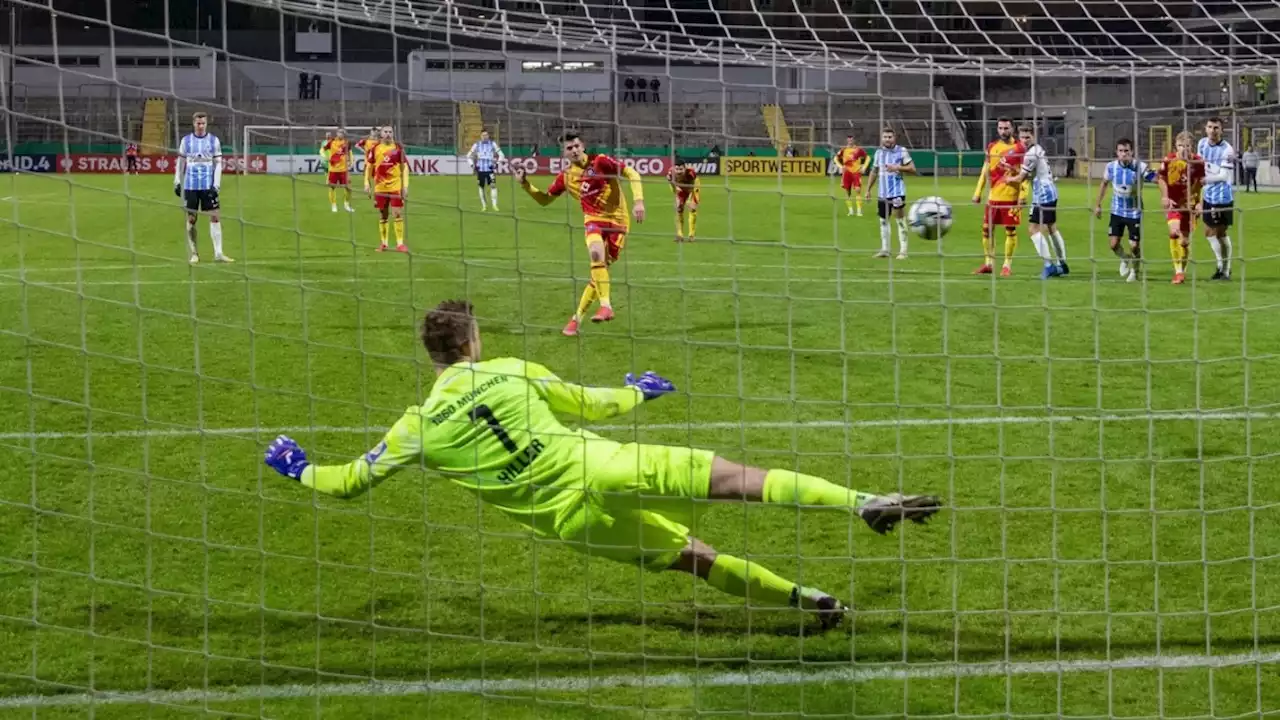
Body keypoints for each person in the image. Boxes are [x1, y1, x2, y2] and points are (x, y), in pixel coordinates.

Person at [263, 300, 943, 631]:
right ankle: (860, 500)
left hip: (570, 521)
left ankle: (814, 603)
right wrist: (638, 392)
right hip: (606, 464)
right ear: (472, 342)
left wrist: (299, 470)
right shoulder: (508, 370)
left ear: (432, 357)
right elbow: (590, 403)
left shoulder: (416, 427)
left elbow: (350, 482)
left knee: (695, 558)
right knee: (739, 482)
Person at [515, 132, 646, 337]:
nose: (574, 150)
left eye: (576, 146)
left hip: (618, 222)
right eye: (569, 148)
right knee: (596, 255)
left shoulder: (601, 161)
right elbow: (545, 200)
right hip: (593, 220)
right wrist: (525, 184)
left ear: (583, 145)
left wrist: (638, 200)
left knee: (598, 274)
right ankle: (606, 306)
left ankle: (576, 319)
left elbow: (632, 173)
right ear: (564, 153)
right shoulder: (566, 177)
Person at [1007, 124, 1067, 278]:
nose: (1025, 140)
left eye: (1028, 137)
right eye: (1022, 137)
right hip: (1050, 191)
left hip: (1043, 194)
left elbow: (1021, 178)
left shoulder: (1030, 154)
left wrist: (1008, 179)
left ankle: (1049, 265)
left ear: (1034, 136)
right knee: (1051, 227)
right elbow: (1028, 173)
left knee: (1033, 229)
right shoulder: (1037, 149)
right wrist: (1014, 170)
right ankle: (1062, 263)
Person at [1094, 138, 1156, 283]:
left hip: (1134, 211)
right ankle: (1124, 258)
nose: (1124, 154)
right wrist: (1098, 204)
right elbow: (1104, 184)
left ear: (1132, 152)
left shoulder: (1139, 166)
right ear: (1117, 152)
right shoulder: (1111, 167)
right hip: (1116, 210)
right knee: (1113, 244)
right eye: (1121, 151)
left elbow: (1154, 177)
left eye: (1126, 151)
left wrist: (1159, 177)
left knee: (1134, 245)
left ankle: (1135, 272)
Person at [971, 117, 1027, 276]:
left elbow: (1026, 173)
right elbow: (985, 170)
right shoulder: (992, 147)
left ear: (1012, 129)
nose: (1003, 131)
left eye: (1006, 128)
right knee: (986, 230)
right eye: (1001, 128)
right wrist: (977, 192)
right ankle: (988, 263)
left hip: (1011, 197)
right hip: (993, 197)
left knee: (1010, 231)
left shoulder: (1020, 148)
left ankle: (1007, 265)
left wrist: (1023, 194)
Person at [173, 112, 231, 264]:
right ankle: (194, 254)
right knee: (191, 219)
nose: (200, 126)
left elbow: (218, 164)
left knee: (215, 215)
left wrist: (216, 185)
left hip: (208, 185)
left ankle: (218, 253)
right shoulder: (186, 141)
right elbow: (180, 162)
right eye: (198, 123)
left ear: (206, 124)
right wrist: (177, 181)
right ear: (194, 124)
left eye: (203, 123)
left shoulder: (213, 141)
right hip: (191, 186)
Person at [1157, 131, 1204, 285]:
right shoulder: (1169, 160)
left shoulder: (1198, 162)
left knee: (1184, 241)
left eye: (1187, 146)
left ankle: (1182, 271)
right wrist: (1165, 197)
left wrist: (1200, 202)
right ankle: (1178, 272)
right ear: (1175, 146)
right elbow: (1161, 179)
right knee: (1173, 232)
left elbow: (1202, 184)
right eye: (1180, 145)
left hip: (1190, 205)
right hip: (1173, 203)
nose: (1184, 149)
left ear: (1192, 147)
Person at [863, 127, 916, 260]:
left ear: (894, 138)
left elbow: (912, 168)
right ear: (882, 138)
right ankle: (885, 249)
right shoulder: (879, 153)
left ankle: (903, 251)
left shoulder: (901, 151)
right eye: (885, 137)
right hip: (882, 193)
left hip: (897, 192)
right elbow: (874, 171)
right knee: (883, 221)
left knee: (899, 219)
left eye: (889, 137)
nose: (887, 139)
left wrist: (898, 167)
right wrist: (868, 189)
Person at [1197, 117, 1236, 280]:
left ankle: (1224, 268)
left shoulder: (1227, 150)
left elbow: (1223, 175)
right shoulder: (1202, 144)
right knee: (1209, 232)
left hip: (1221, 197)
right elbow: (1200, 166)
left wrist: (1206, 180)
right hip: (1207, 195)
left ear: (1222, 130)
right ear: (1205, 128)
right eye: (1210, 127)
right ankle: (1222, 266)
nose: (1213, 130)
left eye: (1216, 128)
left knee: (1219, 233)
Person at [363, 125, 409, 252]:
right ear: (381, 134)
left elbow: (404, 167)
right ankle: (384, 243)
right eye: (386, 132)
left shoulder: (398, 148)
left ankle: (400, 244)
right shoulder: (375, 148)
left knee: (397, 213)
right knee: (383, 214)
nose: (388, 134)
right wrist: (366, 183)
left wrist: (405, 186)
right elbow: (369, 167)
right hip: (380, 187)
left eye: (390, 132)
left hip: (395, 186)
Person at [467, 129, 506, 212]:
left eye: (486, 135)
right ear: (481, 136)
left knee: (493, 186)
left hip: (490, 169)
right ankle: (484, 206)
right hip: (480, 170)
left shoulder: (493, 144)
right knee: (481, 187)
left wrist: (497, 164)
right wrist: (473, 166)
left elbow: (501, 155)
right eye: (483, 135)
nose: (485, 137)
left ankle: (494, 205)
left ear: (488, 136)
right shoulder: (476, 145)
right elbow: (468, 156)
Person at [320, 129, 354, 213]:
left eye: (343, 133)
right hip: (333, 169)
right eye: (339, 132)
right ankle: (333, 205)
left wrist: (351, 161)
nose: (341, 134)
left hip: (344, 169)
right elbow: (322, 150)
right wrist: (324, 156)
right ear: (337, 133)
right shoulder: (332, 142)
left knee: (349, 188)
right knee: (332, 187)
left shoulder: (347, 142)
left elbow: (350, 152)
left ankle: (346, 205)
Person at [834, 135, 869, 217]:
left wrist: (864, 167)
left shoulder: (858, 150)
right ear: (847, 140)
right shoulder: (843, 150)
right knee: (847, 192)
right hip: (847, 172)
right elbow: (835, 158)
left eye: (851, 139)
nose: (850, 141)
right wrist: (841, 166)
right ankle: (850, 211)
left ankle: (859, 211)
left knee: (857, 189)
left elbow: (868, 157)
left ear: (854, 140)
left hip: (856, 172)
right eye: (849, 139)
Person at [667, 160, 700, 242]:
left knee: (692, 208)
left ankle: (691, 235)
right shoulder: (670, 174)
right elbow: (672, 186)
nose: (678, 171)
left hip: (692, 189)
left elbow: (694, 186)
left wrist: (690, 200)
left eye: (681, 169)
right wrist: (677, 197)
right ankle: (680, 235)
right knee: (679, 209)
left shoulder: (690, 174)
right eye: (677, 169)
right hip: (680, 189)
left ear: (685, 169)